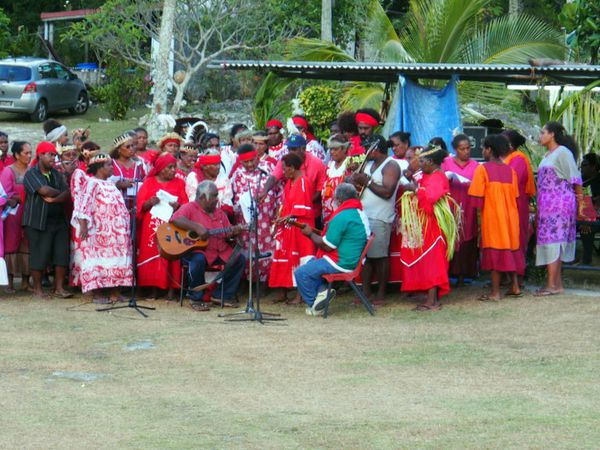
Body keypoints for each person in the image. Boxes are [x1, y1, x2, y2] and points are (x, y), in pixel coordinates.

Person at [295, 183, 370, 316]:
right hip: (350, 259)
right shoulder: (358, 211)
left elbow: (327, 246)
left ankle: (315, 305)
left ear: (339, 200)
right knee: (310, 262)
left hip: (341, 261)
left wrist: (309, 234)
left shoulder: (343, 216)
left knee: (300, 273)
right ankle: (322, 292)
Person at [399, 145, 457, 311]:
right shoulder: (428, 174)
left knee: (433, 262)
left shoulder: (438, 177)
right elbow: (420, 188)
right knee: (427, 260)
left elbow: (430, 197)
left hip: (433, 226)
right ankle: (429, 296)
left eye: (422, 161)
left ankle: (432, 301)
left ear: (431, 162)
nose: (419, 163)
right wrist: (411, 181)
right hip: (423, 225)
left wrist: (415, 188)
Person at [172, 180, 246, 311]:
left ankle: (221, 295)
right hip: (197, 251)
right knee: (198, 260)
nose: (217, 199)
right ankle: (196, 298)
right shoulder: (189, 208)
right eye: (214, 196)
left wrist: (234, 232)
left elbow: (227, 232)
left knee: (239, 259)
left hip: (219, 251)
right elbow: (176, 219)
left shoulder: (219, 213)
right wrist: (196, 227)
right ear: (201, 197)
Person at [71, 153, 133, 303]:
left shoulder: (111, 183)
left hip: (116, 233)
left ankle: (115, 293)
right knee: (97, 261)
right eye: (108, 165)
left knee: (118, 261)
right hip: (98, 232)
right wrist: (84, 227)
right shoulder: (92, 183)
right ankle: (97, 294)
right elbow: (82, 206)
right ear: (99, 168)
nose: (112, 168)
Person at [468, 135, 523, 301]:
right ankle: (515, 286)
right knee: (510, 250)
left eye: (484, 148)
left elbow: (476, 198)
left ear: (489, 149)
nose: (483, 151)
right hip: (510, 218)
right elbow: (515, 195)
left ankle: (495, 292)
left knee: (495, 255)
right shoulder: (510, 170)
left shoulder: (482, 169)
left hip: (493, 218)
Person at [535, 121, 583, 296]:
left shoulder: (563, 152)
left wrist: (580, 202)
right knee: (552, 241)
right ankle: (557, 284)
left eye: (542, 132)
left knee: (555, 241)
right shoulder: (547, 155)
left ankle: (551, 285)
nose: (540, 136)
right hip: (547, 205)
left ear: (552, 134)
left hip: (560, 204)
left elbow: (575, 178)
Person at [351, 135, 401, 305]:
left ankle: (381, 293)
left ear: (376, 149)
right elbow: (360, 186)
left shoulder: (391, 165)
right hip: (364, 215)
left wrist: (367, 180)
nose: (364, 151)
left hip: (380, 217)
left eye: (367, 148)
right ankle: (365, 291)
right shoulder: (370, 164)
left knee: (380, 257)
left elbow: (387, 192)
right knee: (365, 256)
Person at [22, 141, 71, 299]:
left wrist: (54, 199)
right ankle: (37, 290)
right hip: (38, 221)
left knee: (61, 254)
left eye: (55, 155)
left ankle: (59, 288)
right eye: (50, 154)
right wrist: (60, 193)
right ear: (40, 155)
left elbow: (68, 193)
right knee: (39, 255)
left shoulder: (56, 174)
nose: (53, 158)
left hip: (58, 221)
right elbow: (43, 190)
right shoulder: (31, 173)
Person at [136, 153, 187, 300]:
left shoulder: (179, 183)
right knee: (151, 254)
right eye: (170, 167)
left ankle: (170, 289)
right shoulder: (149, 182)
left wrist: (178, 206)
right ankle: (152, 289)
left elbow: (185, 204)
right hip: (151, 226)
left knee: (170, 254)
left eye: (174, 167)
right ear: (160, 168)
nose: (173, 170)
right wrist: (150, 202)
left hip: (171, 225)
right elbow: (141, 205)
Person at [269, 153, 316, 303]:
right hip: (289, 227)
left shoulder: (303, 182)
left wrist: (286, 218)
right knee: (286, 258)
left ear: (292, 168)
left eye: (284, 169)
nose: (282, 172)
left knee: (301, 259)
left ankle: (300, 295)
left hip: (301, 228)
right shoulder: (290, 182)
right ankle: (283, 290)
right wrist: (280, 216)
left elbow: (302, 210)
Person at [230, 144, 277, 284]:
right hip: (247, 222)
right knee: (249, 250)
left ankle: (265, 282)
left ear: (258, 157)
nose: (250, 164)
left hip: (267, 220)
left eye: (253, 160)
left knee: (267, 250)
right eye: (246, 162)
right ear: (241, 161)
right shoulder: (237, 175)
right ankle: (249, 282)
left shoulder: (269, 168)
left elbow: (279, 191)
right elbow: (234, 200)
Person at [259, 134, 326, 223]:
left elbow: (320, 190)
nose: (290, 152)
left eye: (294, 149)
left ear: (303, 149)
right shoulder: (285, 161)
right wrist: (264, 191)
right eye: (289, 149)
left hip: (311, 213)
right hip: (290, 211)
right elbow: (273, 177)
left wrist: (302, 203)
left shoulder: (317, 163)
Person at [441, 134, 480, 284]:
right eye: (462, 149)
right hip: (451, 205)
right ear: (455, 149)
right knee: (450, 235)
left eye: (468, 148)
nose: (466, 152)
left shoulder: (476, 166)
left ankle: (464, 274)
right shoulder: (446, 163)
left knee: (466, 236)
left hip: (468, 206)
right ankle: (448, 273)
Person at [501, 129, 536, 276]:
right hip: (504, 204)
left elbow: (510, 179)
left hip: (516, 204)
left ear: (510, 145)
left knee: (516, 239)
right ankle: (503, 275)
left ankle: (517, 277)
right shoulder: (505, 158)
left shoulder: (519, 159)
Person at [0, 141, 32, 293]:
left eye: (30, 152)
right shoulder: (8, 171)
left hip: (29, 212)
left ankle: (26, 281)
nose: (29, 155)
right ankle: (10, 282)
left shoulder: (32, 170)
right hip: (13, 214)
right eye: (26, 153)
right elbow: (5, 194)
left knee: (27, 243)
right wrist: (18, 197)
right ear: (17, 155)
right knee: (11, 244)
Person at [185, 150, 233, 217]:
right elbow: (194, 201)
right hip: (200, 216)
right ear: (204, 166)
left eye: (219, 164)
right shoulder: (193, 177)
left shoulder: (223, 177)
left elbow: (227, 199)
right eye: (215, 164)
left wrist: (221, 217)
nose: (218, 167)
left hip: (221, 215)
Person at [110, 131, 146, 210]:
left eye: (133, 146)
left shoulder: (139, 165)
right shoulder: (111, 164)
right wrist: (119, 185)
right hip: (116, 207)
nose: (131, 149)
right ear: (119, 150)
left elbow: (145, 183)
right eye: (128, 147)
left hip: (136, 208)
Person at [322, 134, 351, 222]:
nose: (332, 152)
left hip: (342, 210)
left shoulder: (349, 164)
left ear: (344, 149)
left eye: (336, 149)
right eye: (331, 149)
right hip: (326, 211)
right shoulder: (330, 165)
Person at [578, 153, 600, 265]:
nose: (582, 167)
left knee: (587, 227)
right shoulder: (580, 180)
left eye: (584, 164)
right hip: (582, 216)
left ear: (593, 166)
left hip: (594, 217)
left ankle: (586, 261)